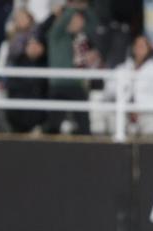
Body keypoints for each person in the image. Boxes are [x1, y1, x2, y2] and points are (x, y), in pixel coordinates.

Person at [45, 6, 100, 135]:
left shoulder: (81, 38)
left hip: (77, 85)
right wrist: (73, 6)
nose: (78, 23)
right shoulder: (56, 36)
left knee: (84, 125)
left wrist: (85, 8)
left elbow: (94, 24)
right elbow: (62, 21)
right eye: (74, 20)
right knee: (53, 126)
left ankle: (86, 145)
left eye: (80, 20)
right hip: (59, 85)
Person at [121, 35, 153, 135]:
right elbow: (112, 90)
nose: (139, 49)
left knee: (150, 125)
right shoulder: (124, 67)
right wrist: (129, 107)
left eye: (142, 46)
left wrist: (139, 108)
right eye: (137, 46)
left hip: (147, 112)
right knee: (114, 120)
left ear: (148, 49)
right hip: (125, 112)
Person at [4, 36, 49, 133]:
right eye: (30, 45)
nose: (33, 48)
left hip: (40, 112)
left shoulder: (47, 64)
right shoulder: (18, 62)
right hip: (18, 112)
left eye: (36, 45)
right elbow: (11, 85)